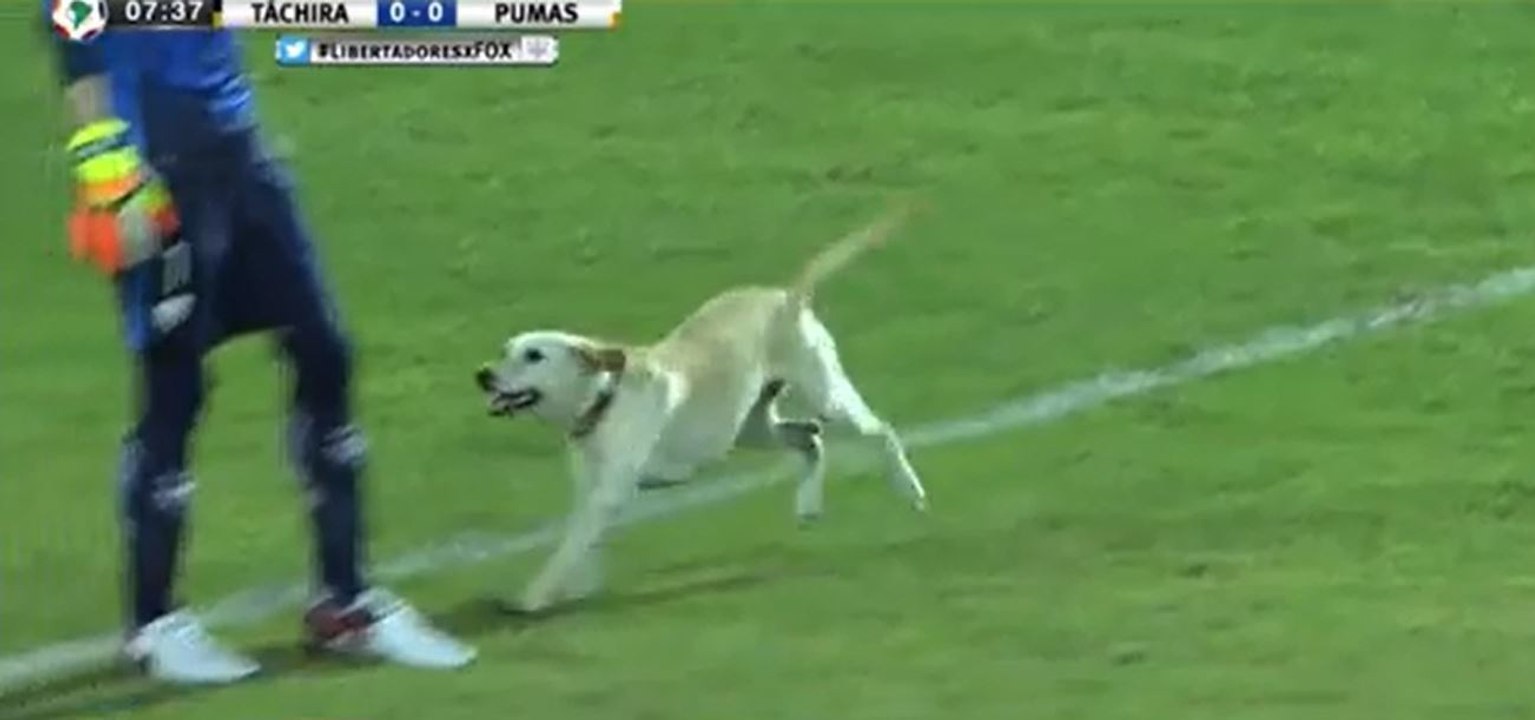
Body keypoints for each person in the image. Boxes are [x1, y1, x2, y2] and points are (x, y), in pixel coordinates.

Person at [45, 7, 476, 684]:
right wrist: (109, 179)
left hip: (242, 161)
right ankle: (155, 626)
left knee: (325, 352)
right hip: (155, 176)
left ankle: (345, 603)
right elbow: (72, 28)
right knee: (175, 387)